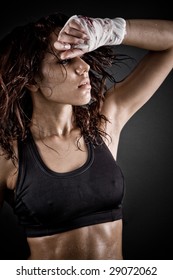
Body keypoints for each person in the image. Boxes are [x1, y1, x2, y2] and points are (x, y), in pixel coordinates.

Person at [0, 12, 173, 260]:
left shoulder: (104, 123)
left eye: (80, 55)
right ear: (31, 81)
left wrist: (107, 30)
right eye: (64, 61)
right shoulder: (9, 157)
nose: (84, 66)